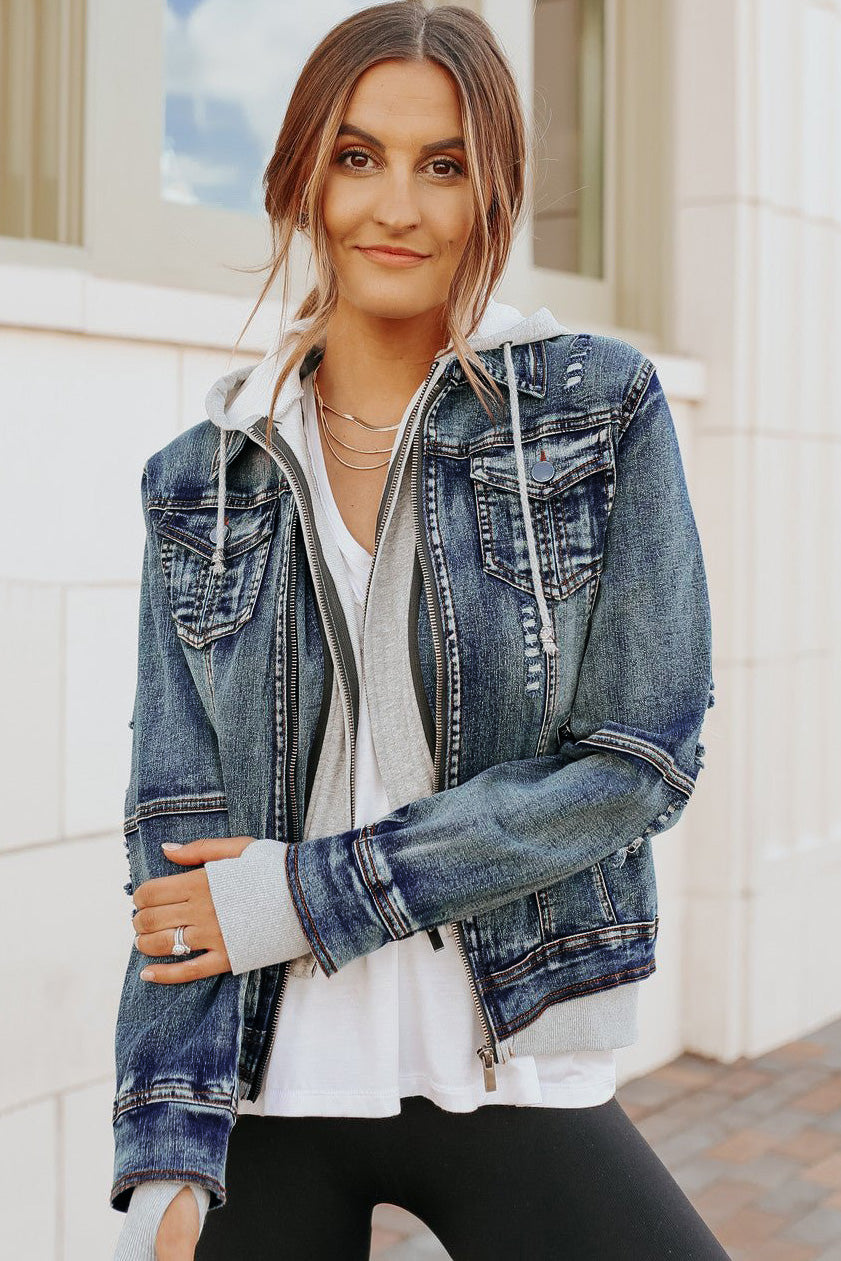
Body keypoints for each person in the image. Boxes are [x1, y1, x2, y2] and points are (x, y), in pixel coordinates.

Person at [111, 3, 724, 1258]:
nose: (396, 204)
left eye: (443, 164)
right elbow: (175, 856)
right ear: (301, 178)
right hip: (270, 1083)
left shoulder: (594, 412)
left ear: (492, 188)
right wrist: (168, 1161)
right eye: (357, 156)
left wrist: (311, 893)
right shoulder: (200, 479)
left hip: (509, 1055)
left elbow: (640, 758)